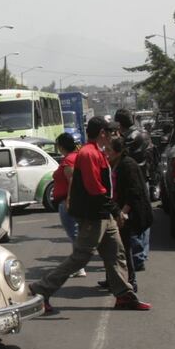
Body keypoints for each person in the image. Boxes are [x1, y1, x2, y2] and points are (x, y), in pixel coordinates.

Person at [28, 117, 151, 314]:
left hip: (102, 214)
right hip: (94, 215)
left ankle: (123, 295)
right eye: (112, 132)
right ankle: (40, 290)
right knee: (80, 258)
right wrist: (116, 211)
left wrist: (113, 211)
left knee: (116, 253)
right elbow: (96, 189)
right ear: (103, 133)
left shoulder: (97, 152)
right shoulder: (89, 154)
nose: (115, 136)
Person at [104, 137, 153, 293]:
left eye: (109, 150)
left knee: (124, 248)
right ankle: (113, 279)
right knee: (113, 248)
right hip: (118, 210)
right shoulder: (115, 163)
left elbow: (134, 192)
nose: (106, 153)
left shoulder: (128, 165)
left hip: (128, 213)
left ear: (118, 152)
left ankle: (131, 281)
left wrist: (122, 214)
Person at [115, 108, 154, 271]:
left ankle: (137, 258)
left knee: (135, 219)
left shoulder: (128, 138)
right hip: (144, 177)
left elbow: (124, 158)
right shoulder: (144, 133)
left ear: (119, 123)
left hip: (133, 180)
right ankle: (142, 254)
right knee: (143, 216)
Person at [51, 132, 85, 277]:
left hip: (67, 201)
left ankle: (79, 266)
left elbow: (72, 181)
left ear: (61, 145)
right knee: (75, 234)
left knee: (74, 234)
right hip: (70, 201)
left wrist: (69, 201)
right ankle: (79, 265)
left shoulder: (69, 160)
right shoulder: (74, 157)